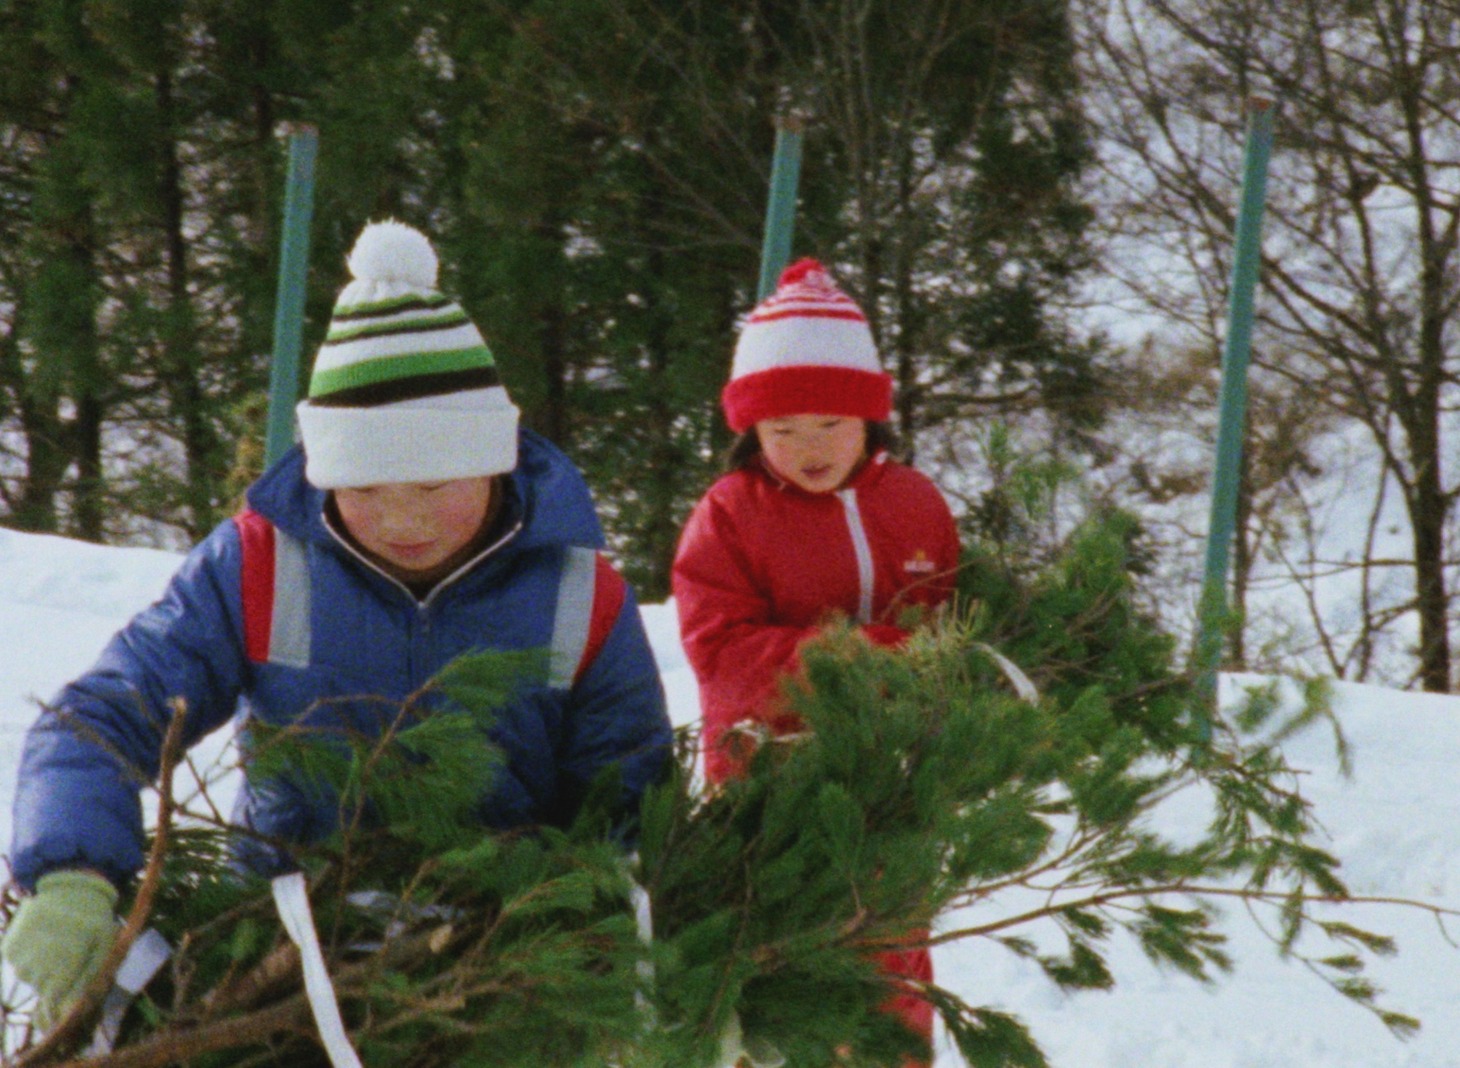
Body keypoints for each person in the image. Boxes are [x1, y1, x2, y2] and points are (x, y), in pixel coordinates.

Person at [3, 219, 673, 1029]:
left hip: (495, 963)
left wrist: (640, 960)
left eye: (432, 486)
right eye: (366, 485)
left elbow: (627, 799)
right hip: (279, 944)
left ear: (494, 457)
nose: (401, 518)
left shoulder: (578, 593)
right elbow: (104, 713)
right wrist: (74, 868)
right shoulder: (259, 564)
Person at [671, 258, 961, 1066]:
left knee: (891, 950)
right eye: (782, 430)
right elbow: (722, 654)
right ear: (749, 431)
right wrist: (867, 657)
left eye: (829, 424)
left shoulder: (915, 502)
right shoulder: (729, 513)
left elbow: (954, 622)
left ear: (871, 417)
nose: (808, 449)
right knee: (784, 953)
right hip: (772, 785)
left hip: (892, 779)